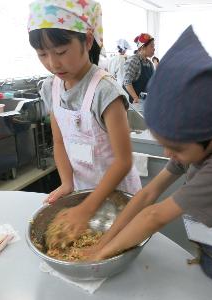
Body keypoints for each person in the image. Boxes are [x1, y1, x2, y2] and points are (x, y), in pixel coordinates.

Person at [83, 26, 212, 300]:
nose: (167, 154)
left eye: (174, 147)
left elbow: (154, 216)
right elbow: (147, 194)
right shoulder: (198, 146)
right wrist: (106, 239)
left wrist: (98, 256)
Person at [28, 0, 141, 239]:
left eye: (60, 52)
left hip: (119, 197)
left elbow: (123, 161)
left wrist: (89, 207)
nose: (52, 63)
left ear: (87, 41)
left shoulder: (105, 92)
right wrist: (67, 183)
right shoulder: (51, 88)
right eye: (42, 54)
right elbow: (59, 142)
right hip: (82, 192)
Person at [122, 33, 155, 103]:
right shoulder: (134, 61)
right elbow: (127, 82)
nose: (154, 49)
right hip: (132, 103)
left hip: (143, 101)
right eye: (151, 46)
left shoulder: (149, 64)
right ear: (143, 48)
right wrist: (136, 98)